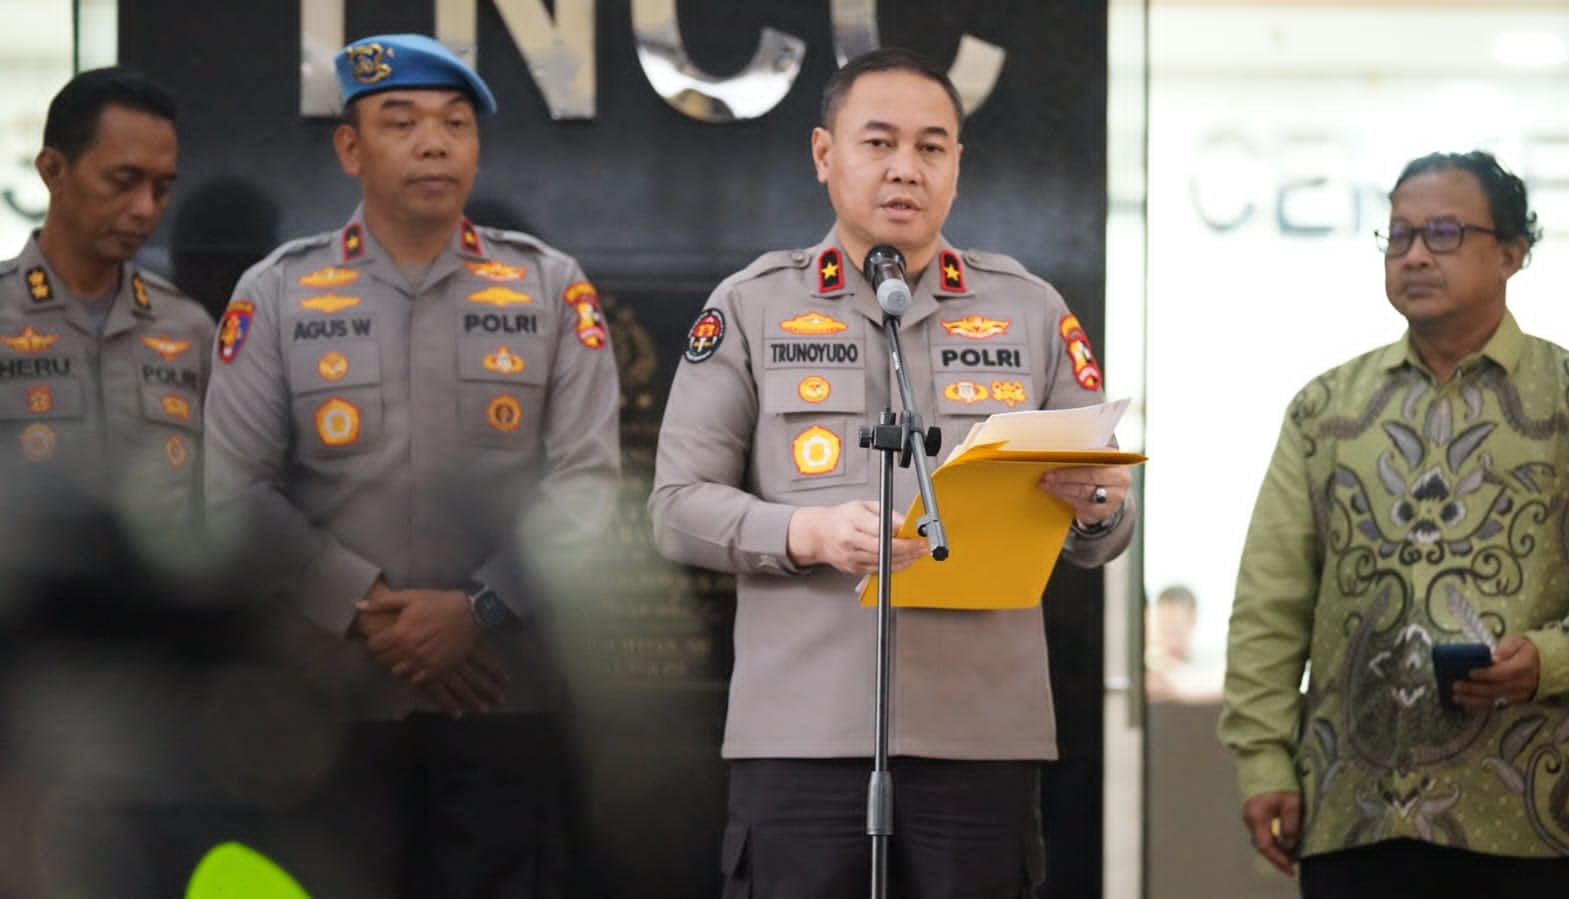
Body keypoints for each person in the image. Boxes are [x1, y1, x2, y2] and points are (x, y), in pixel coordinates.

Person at [649, 47, 1136, 898]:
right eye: (878, 143)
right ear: (823, 154)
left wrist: (1098, 508)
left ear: (956, 164)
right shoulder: (751, 305)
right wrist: (805, 531)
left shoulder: (1029, 309)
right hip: (802, 734)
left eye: (930, 147)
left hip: (980, 735)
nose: (905, 168)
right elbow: (675, 508)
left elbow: (1103, 528)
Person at [203, 33, 620, 897]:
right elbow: (233, 491)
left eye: (455, 124)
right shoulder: (276, 293)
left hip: (503, 700)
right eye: (402, 123)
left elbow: (587, 484)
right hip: (328, 705)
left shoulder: (550, 288)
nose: (434, 144)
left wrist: (477, 608)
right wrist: (372, 612)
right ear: (350, 148)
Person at [1219, 150, 1569, 898]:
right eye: (1398, 236)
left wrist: (1547, 660)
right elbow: (1270, 602)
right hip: (1354, 815)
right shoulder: (1326, 409)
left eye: (1444, 233)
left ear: (1511, 253)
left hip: (1542, 815)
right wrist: (1263, 760)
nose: (1415, 254)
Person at [0, 67, 212, 541]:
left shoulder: (187, 328)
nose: (144, 208)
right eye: (123, 180)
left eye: (161, 189)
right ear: (53, 171)